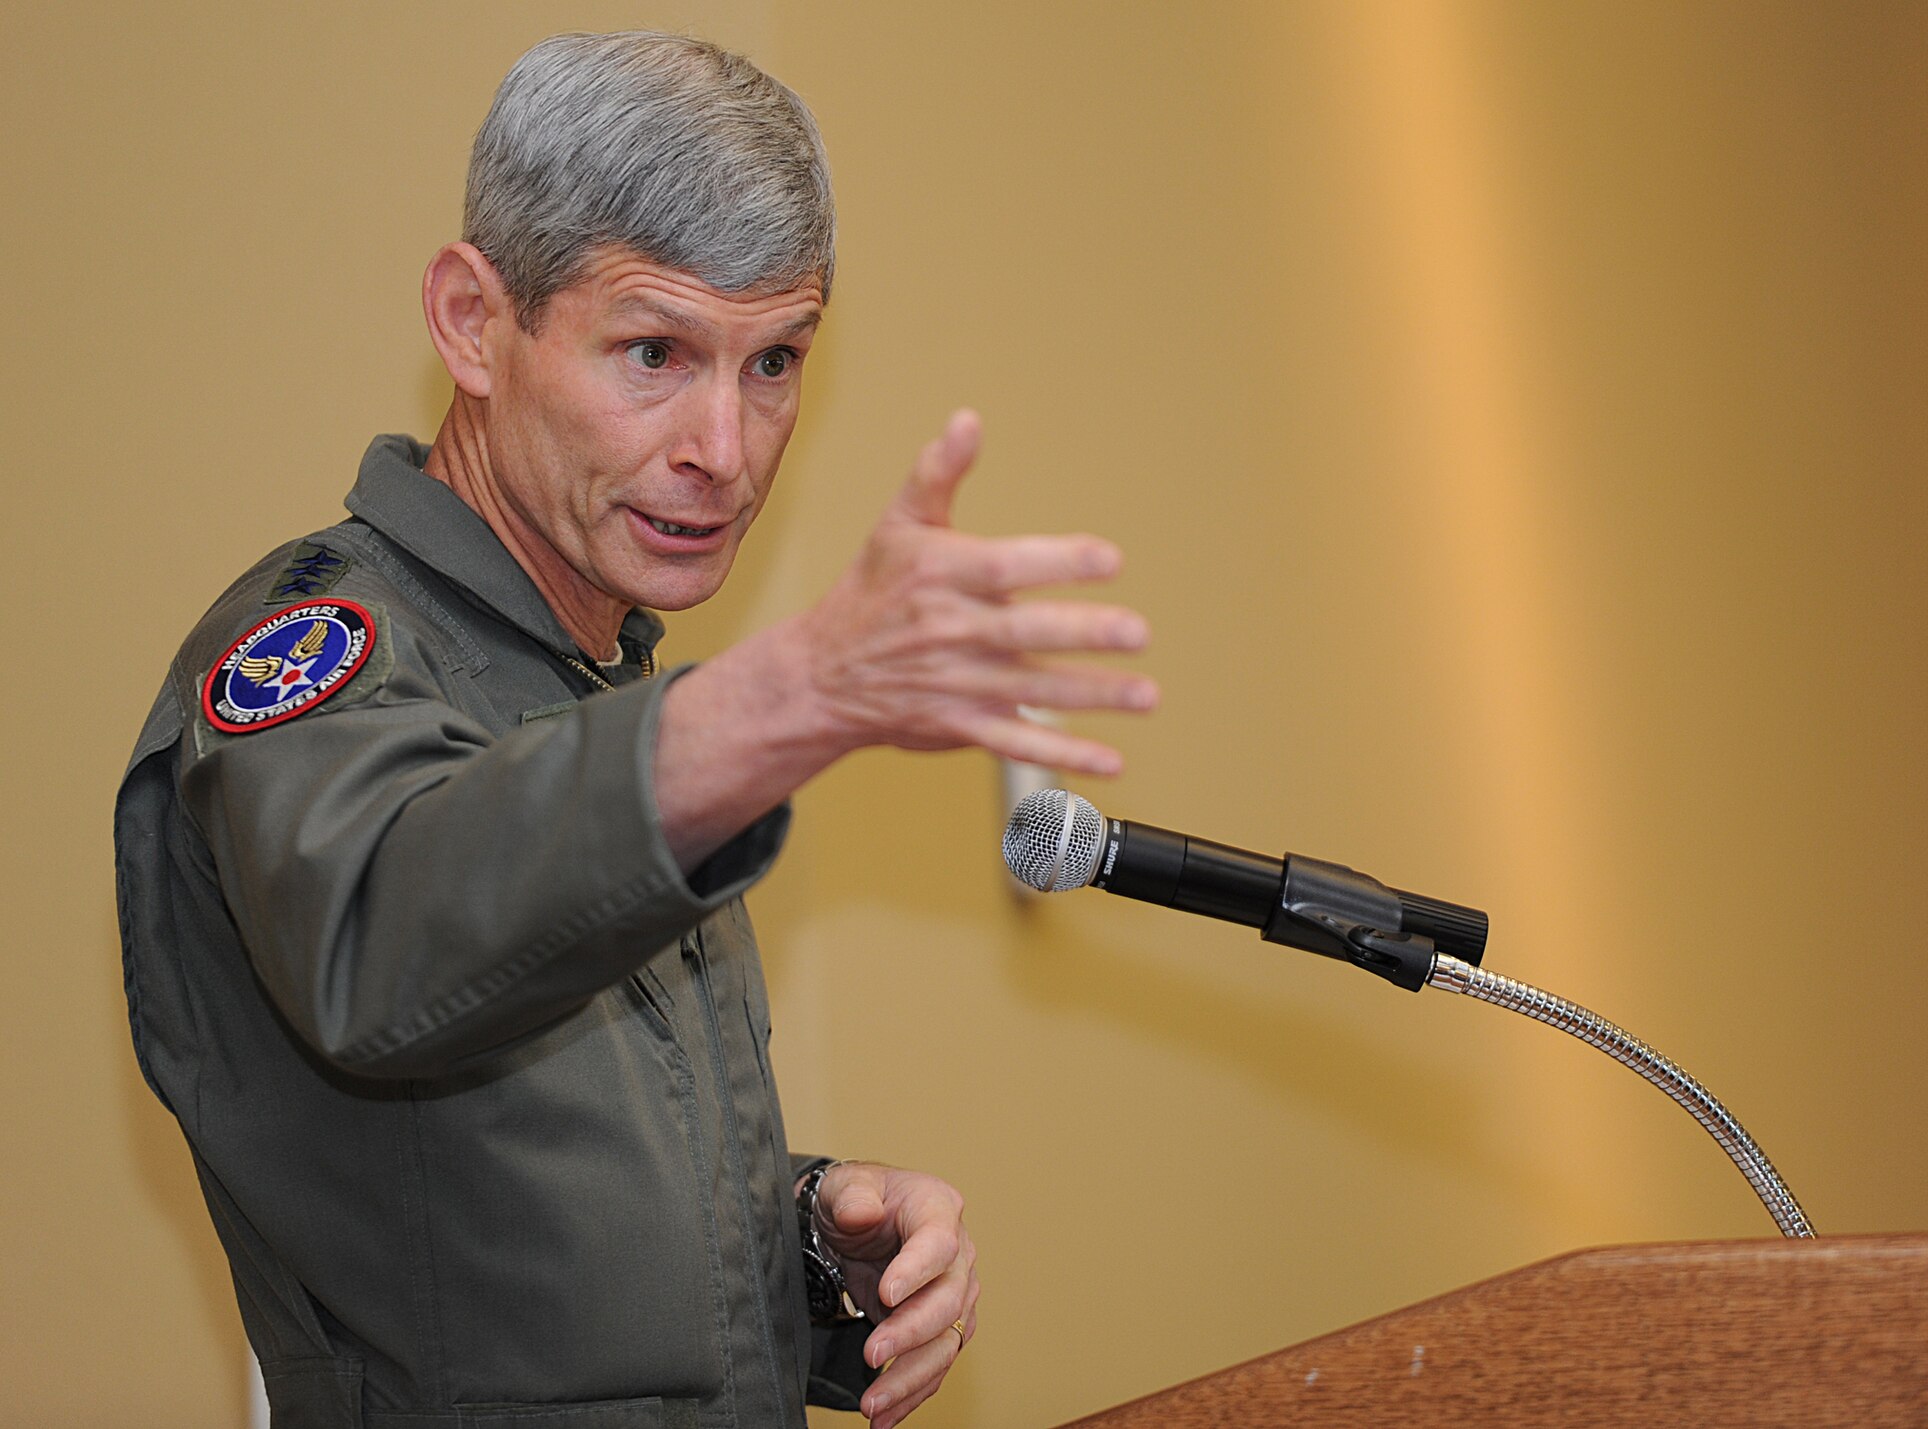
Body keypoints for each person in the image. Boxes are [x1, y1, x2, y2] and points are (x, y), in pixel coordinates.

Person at [112, 31, 1156, 1429]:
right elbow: (386, 926)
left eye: (775, 361)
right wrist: (793, 695)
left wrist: (798, 1231)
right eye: (654, 351)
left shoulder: (610, 692)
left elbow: (515, 1221)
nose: (724, 449)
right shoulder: (314, 655)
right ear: (473, 323)